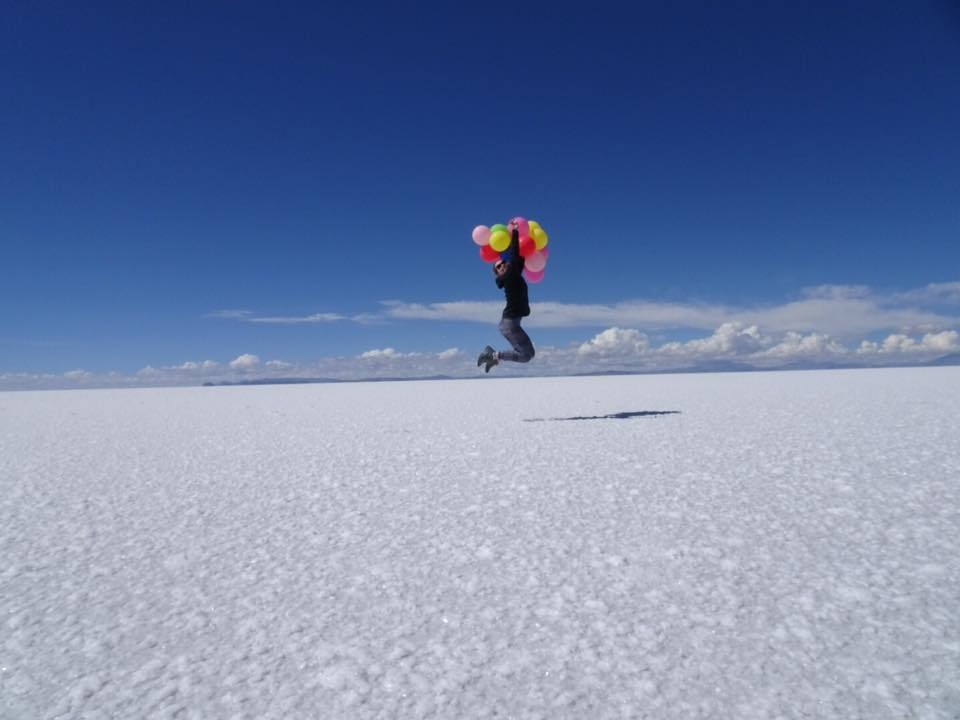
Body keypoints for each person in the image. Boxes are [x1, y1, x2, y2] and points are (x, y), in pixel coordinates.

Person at [477, 220, 536, 373]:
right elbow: (515, 254)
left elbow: (519, 259)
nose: (502, 265)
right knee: (526, 355)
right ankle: (492, 355)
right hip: (509, 325)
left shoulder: (513, 274)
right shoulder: (509, 276)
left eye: (502, 263)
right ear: (498, 273)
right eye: (498, 267)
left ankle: (494, 358)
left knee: (529, 354)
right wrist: (515, 232)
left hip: (511, 323)